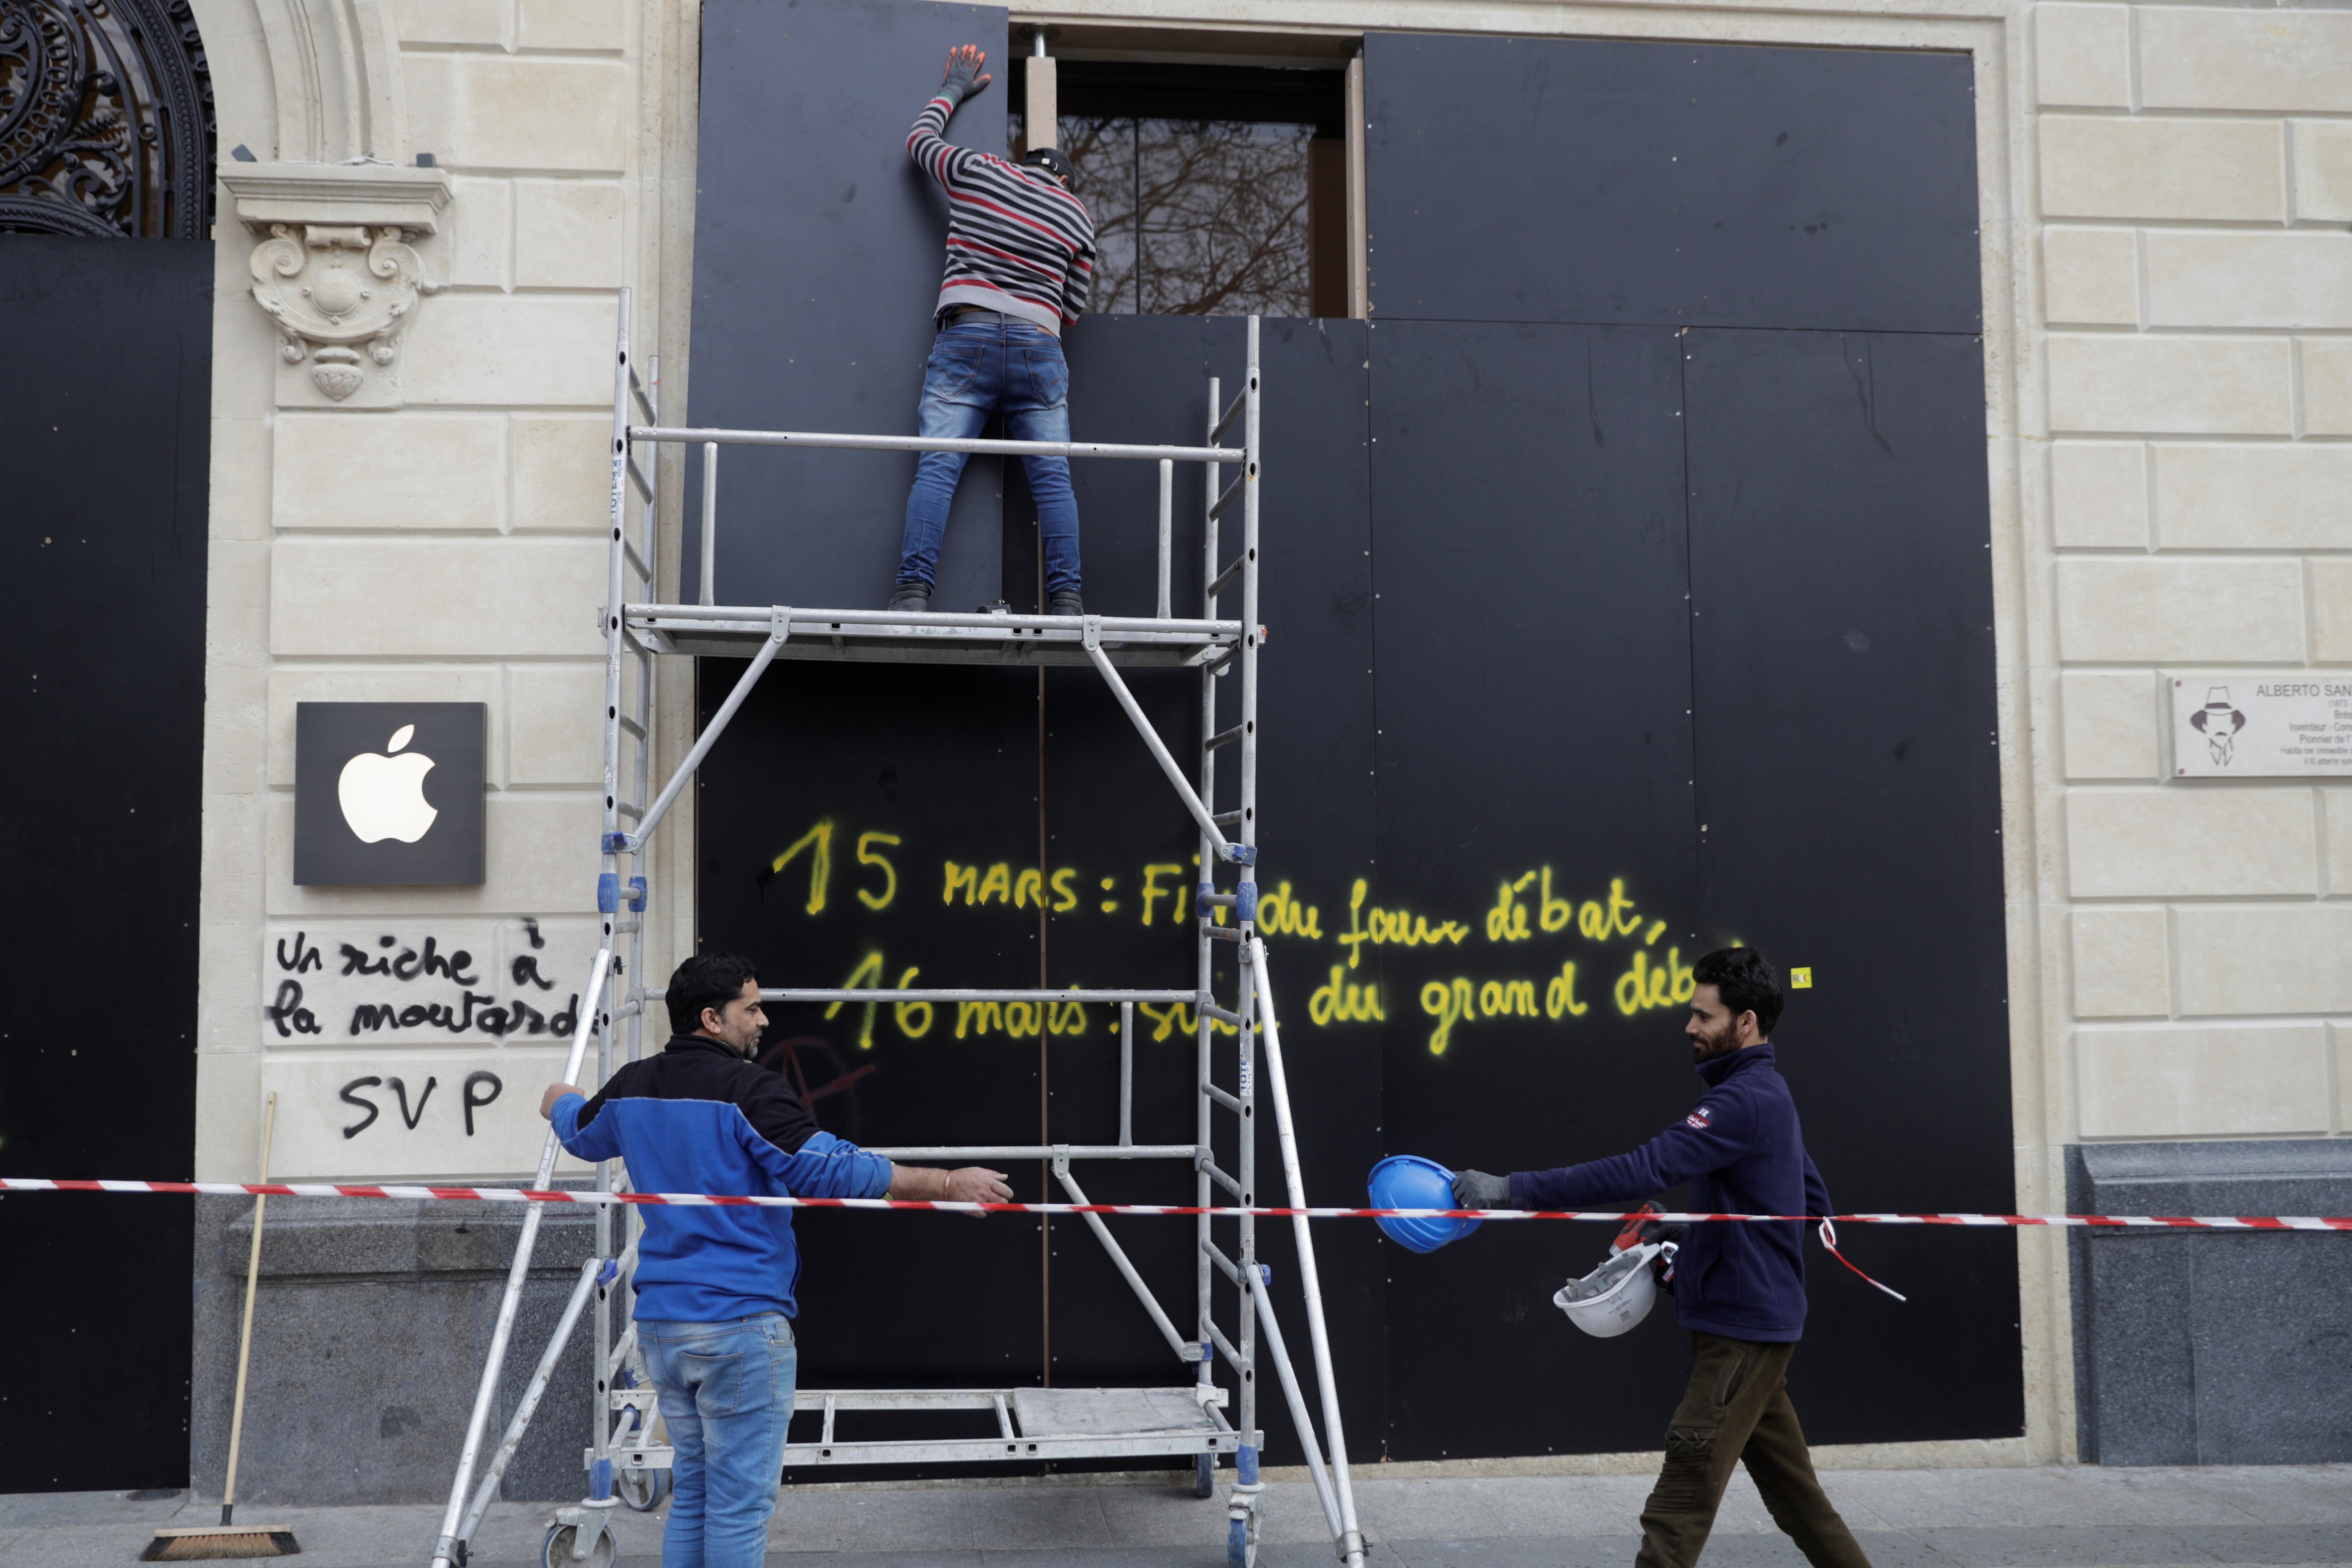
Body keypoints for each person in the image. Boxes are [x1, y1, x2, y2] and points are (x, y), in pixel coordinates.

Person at [540, 951, 1012, 1568]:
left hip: (663, 1326)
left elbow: (581, 1131)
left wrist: (558, 1101)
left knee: (696, 1496)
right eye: (752, 1007)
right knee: (737, 1504)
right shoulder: (747, 1089)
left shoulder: (633, 1085)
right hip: (736, 1328)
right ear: (712, 1018)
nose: (763, 1020)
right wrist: (945, 1184)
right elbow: (824, 1168)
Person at [1450, 947, 1871, 1568]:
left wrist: (1512, 1189)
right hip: (1753, 1326)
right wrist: (1692, 1238)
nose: (1689, 1026)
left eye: (1703, 1015)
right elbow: (1809, 1197)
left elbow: (1644, 1167)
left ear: (1746, 1022)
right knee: (1800, 1503)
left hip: (1741, 1334)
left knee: (1679, 1503)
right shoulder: (1766, 1092)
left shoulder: (1743, 1100)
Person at [889, 44, 1098, 618]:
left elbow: (919, 145)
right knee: (1052, 478)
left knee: (938, 465)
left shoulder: (983, 170)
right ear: (1067, 184)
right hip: (1038, 347)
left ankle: (912, 594)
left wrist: (953, 88)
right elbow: (1072, 309)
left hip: (968, 336)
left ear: (1025, 163)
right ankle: (1066, 600)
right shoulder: (1076, 217)